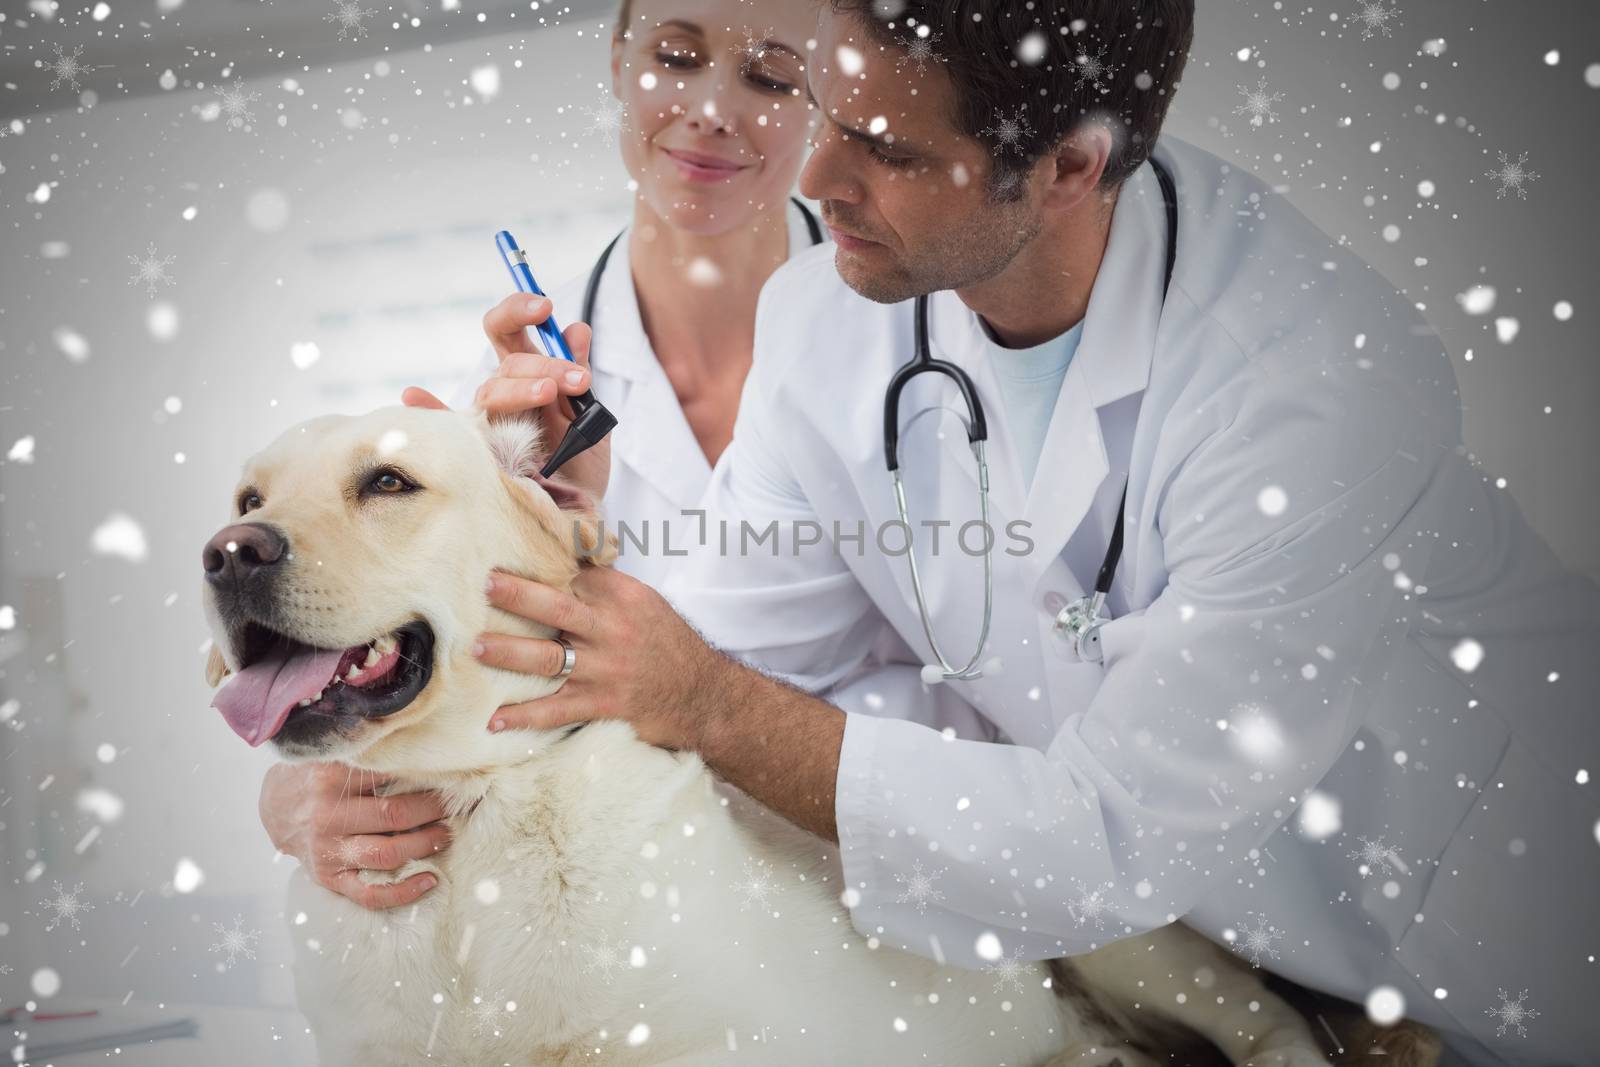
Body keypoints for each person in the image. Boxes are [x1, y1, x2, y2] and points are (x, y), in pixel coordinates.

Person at [443, 2, 1600, 1065]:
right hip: (1223, 970)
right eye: (827, 117)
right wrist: (537, 560)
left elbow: (1100, 835)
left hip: (1505, 941)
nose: (820, 174)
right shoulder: (827, 316)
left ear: (1066, 168)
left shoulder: (1311, 388)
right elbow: (716, 655)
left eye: (886, 149)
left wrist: (702, 697)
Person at [255, 0, 856, 909]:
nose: (712, 110)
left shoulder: (903, 353)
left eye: (772, 77)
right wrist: (294, 792)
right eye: (677, 55)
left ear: (834, 100)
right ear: (619, 57)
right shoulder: (509, 419)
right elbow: (409, 664)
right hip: (637, 917)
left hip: (872, 891)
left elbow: (1019, 677)